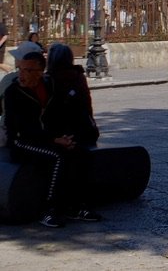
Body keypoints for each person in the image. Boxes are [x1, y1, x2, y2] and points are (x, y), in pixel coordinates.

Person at [4, 51, 102, 227]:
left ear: (40, 71)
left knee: (80, 153)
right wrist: (54, 140)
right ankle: (47, 209)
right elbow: (23, 128)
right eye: (20, 69)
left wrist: (65, 137)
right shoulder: (14, 92)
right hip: (22, 142)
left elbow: (58, 116)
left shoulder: (50, 87)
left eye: (27, 70)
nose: (21, 74)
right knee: (56, 157)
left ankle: (75, 206)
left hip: (47, 138)